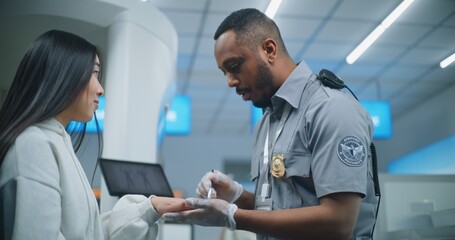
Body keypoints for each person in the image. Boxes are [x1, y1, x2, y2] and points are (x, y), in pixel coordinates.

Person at [163, 8, 379, 240]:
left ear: (269, 50)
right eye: (224, 72)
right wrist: (237, 196)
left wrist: (232, 216)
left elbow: (339, 222)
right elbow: (278, 209)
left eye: (234, 66)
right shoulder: (266, 123)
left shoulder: (331, 109)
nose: (229, 81)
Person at [0, 30, 189, 240]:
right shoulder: (35, 145)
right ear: (62, 73)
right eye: (94, 74)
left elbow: (89, 234)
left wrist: (149, 208)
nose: (100, 89)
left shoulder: (55, 141)